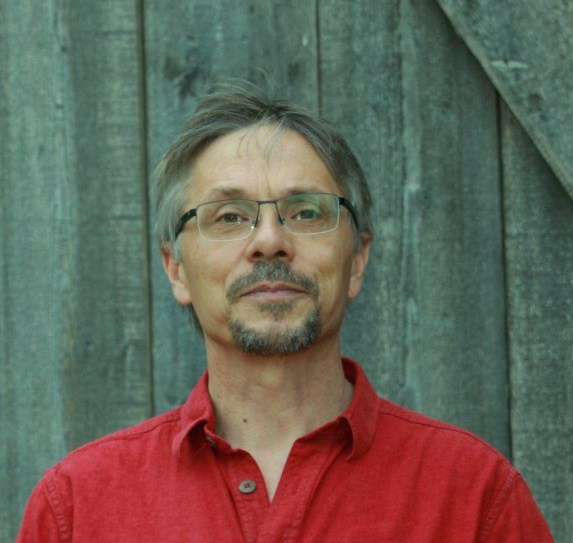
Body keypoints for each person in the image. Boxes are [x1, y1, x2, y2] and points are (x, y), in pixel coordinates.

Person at [16, 81, 555, 542]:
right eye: (229, 216)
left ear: (357, 260)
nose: (270, 241)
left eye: (307, 212)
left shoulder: (476, 497)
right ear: (176, 268)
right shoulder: (77, 508)